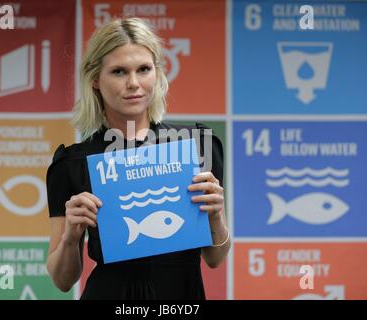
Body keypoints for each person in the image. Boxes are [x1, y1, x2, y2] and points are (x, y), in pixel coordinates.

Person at [46, 17, 230, 300]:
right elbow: (62, 280)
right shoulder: (72, 163)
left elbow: (215, 257)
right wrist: (71, 236)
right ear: (95, 79)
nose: (134, 83)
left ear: (157, 73)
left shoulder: (198, 146)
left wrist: (216, 216)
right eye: (119, 71)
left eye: (143, 69)